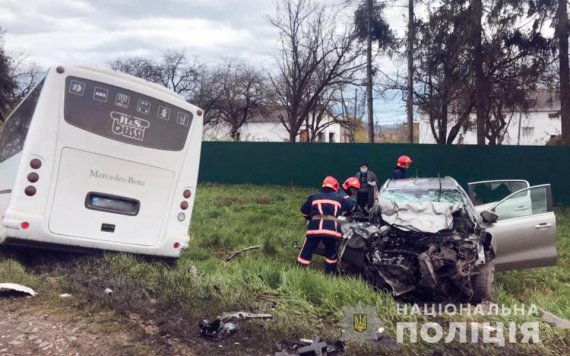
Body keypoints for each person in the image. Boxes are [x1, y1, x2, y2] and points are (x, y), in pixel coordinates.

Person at [298, 176, 356, 273]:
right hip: (331, 230)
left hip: (315, 228)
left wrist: (311, 218)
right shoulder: (340, 198)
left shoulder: (313, 196)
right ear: (335, 186)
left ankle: (299, 271)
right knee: (331, 252)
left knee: (307, 250)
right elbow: (352, 207)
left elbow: (303, 212)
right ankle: (330, 273)